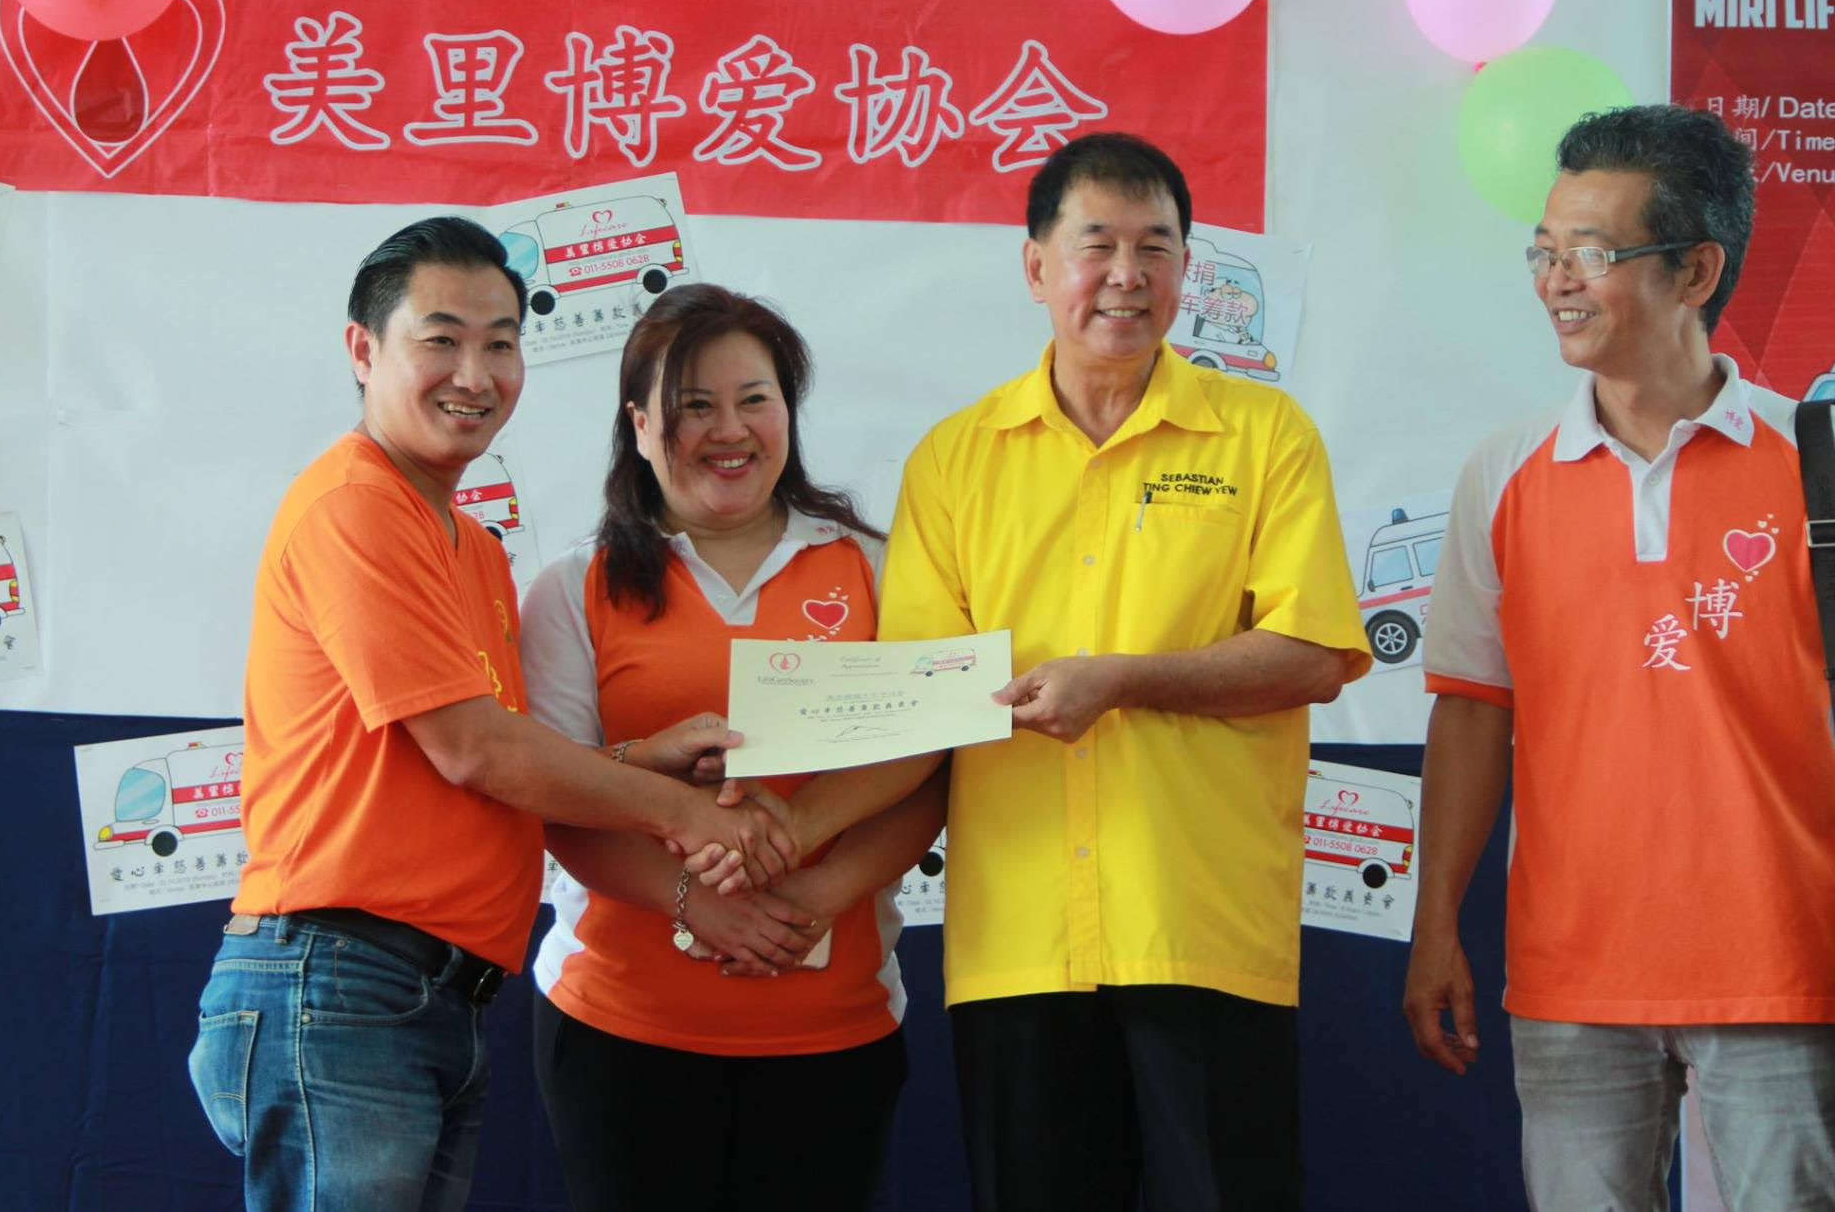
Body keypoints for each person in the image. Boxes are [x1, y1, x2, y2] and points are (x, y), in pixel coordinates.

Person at [185, 219, 799, 1212]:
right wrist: (688, 815)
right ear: (362, 349)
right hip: (340, 981)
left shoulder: (469, 544)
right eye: (441, 339)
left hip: (423, 994)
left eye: (501, 343)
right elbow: (475, 751)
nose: (475, 374)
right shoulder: (354, 505)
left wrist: (637, 758)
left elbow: (488, 752)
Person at [878, 131, 1372, 1210]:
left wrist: (1120, 679)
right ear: (1035, 266)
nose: (1126, 275)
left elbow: (1311, 654)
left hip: (1200, 922)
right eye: (1095, 244)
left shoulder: (1263, 435)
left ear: (1187, 268)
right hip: (1018, 939)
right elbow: (919, 690)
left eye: (1156, 248)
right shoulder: (954, 458)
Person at [1405, 104, 1835, 1208]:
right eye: (1544, 252)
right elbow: (1472, 709)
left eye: (1592, 254)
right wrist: (1434, 922)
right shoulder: (1503, 471)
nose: (1558, 281)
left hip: (1786, 964)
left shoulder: (1814, 464)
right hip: (1571, 974)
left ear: (1696, 270)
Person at [520, 283, 946, 1212]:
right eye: (694, 405)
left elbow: (929, 773)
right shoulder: (573, 587)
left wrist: (816, 895)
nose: (730, 430)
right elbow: (555, 798)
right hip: (619, 1029)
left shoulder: (876, 570)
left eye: (756, 399)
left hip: (833, 1031)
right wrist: (696, 904)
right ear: (640, 426)